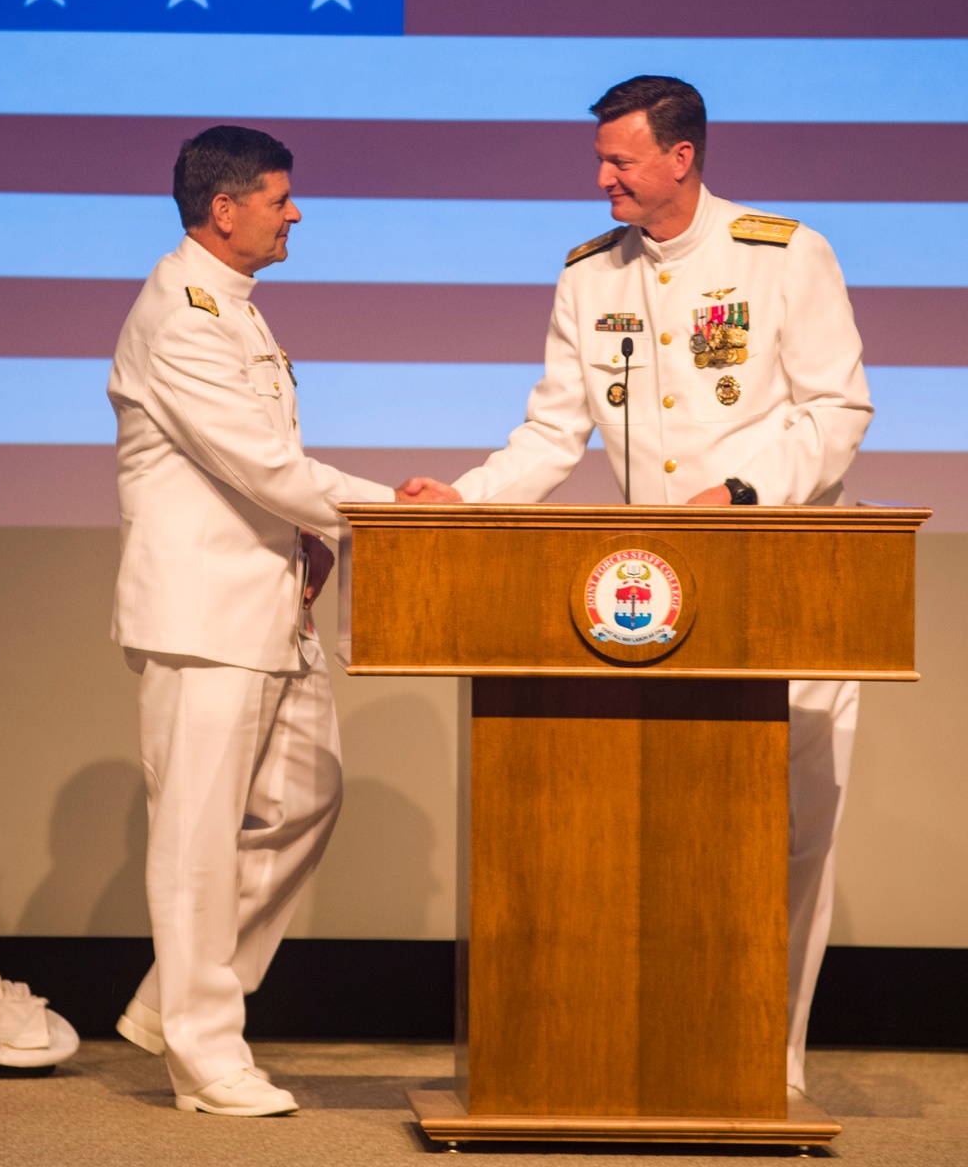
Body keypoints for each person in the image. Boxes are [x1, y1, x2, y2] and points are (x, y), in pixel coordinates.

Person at [407, 75, 873, 1092]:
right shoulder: (588, 276)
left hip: (779, 575)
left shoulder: (784, 254)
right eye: (599, 159)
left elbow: (836, 411)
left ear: (682, 157)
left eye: (619, 159)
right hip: (652, 600)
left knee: (788, 833)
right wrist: (469, 501)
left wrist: (739, 492)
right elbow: (551, 428)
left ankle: (770, 1059)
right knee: (667, 824)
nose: (602, 177)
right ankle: (656, 1042)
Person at [107, 125, 449, 1115]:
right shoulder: (183, 314)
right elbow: (264, 466)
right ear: (226, 210)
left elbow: (261, 474)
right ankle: (205, 1057)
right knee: (199, 833)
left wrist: (315, 537)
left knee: (307, 793)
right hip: (204, 612)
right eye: (279, 196)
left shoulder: (231, 309)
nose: (293, 211)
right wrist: (393, 507)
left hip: (265, 603)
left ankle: (175, 994)